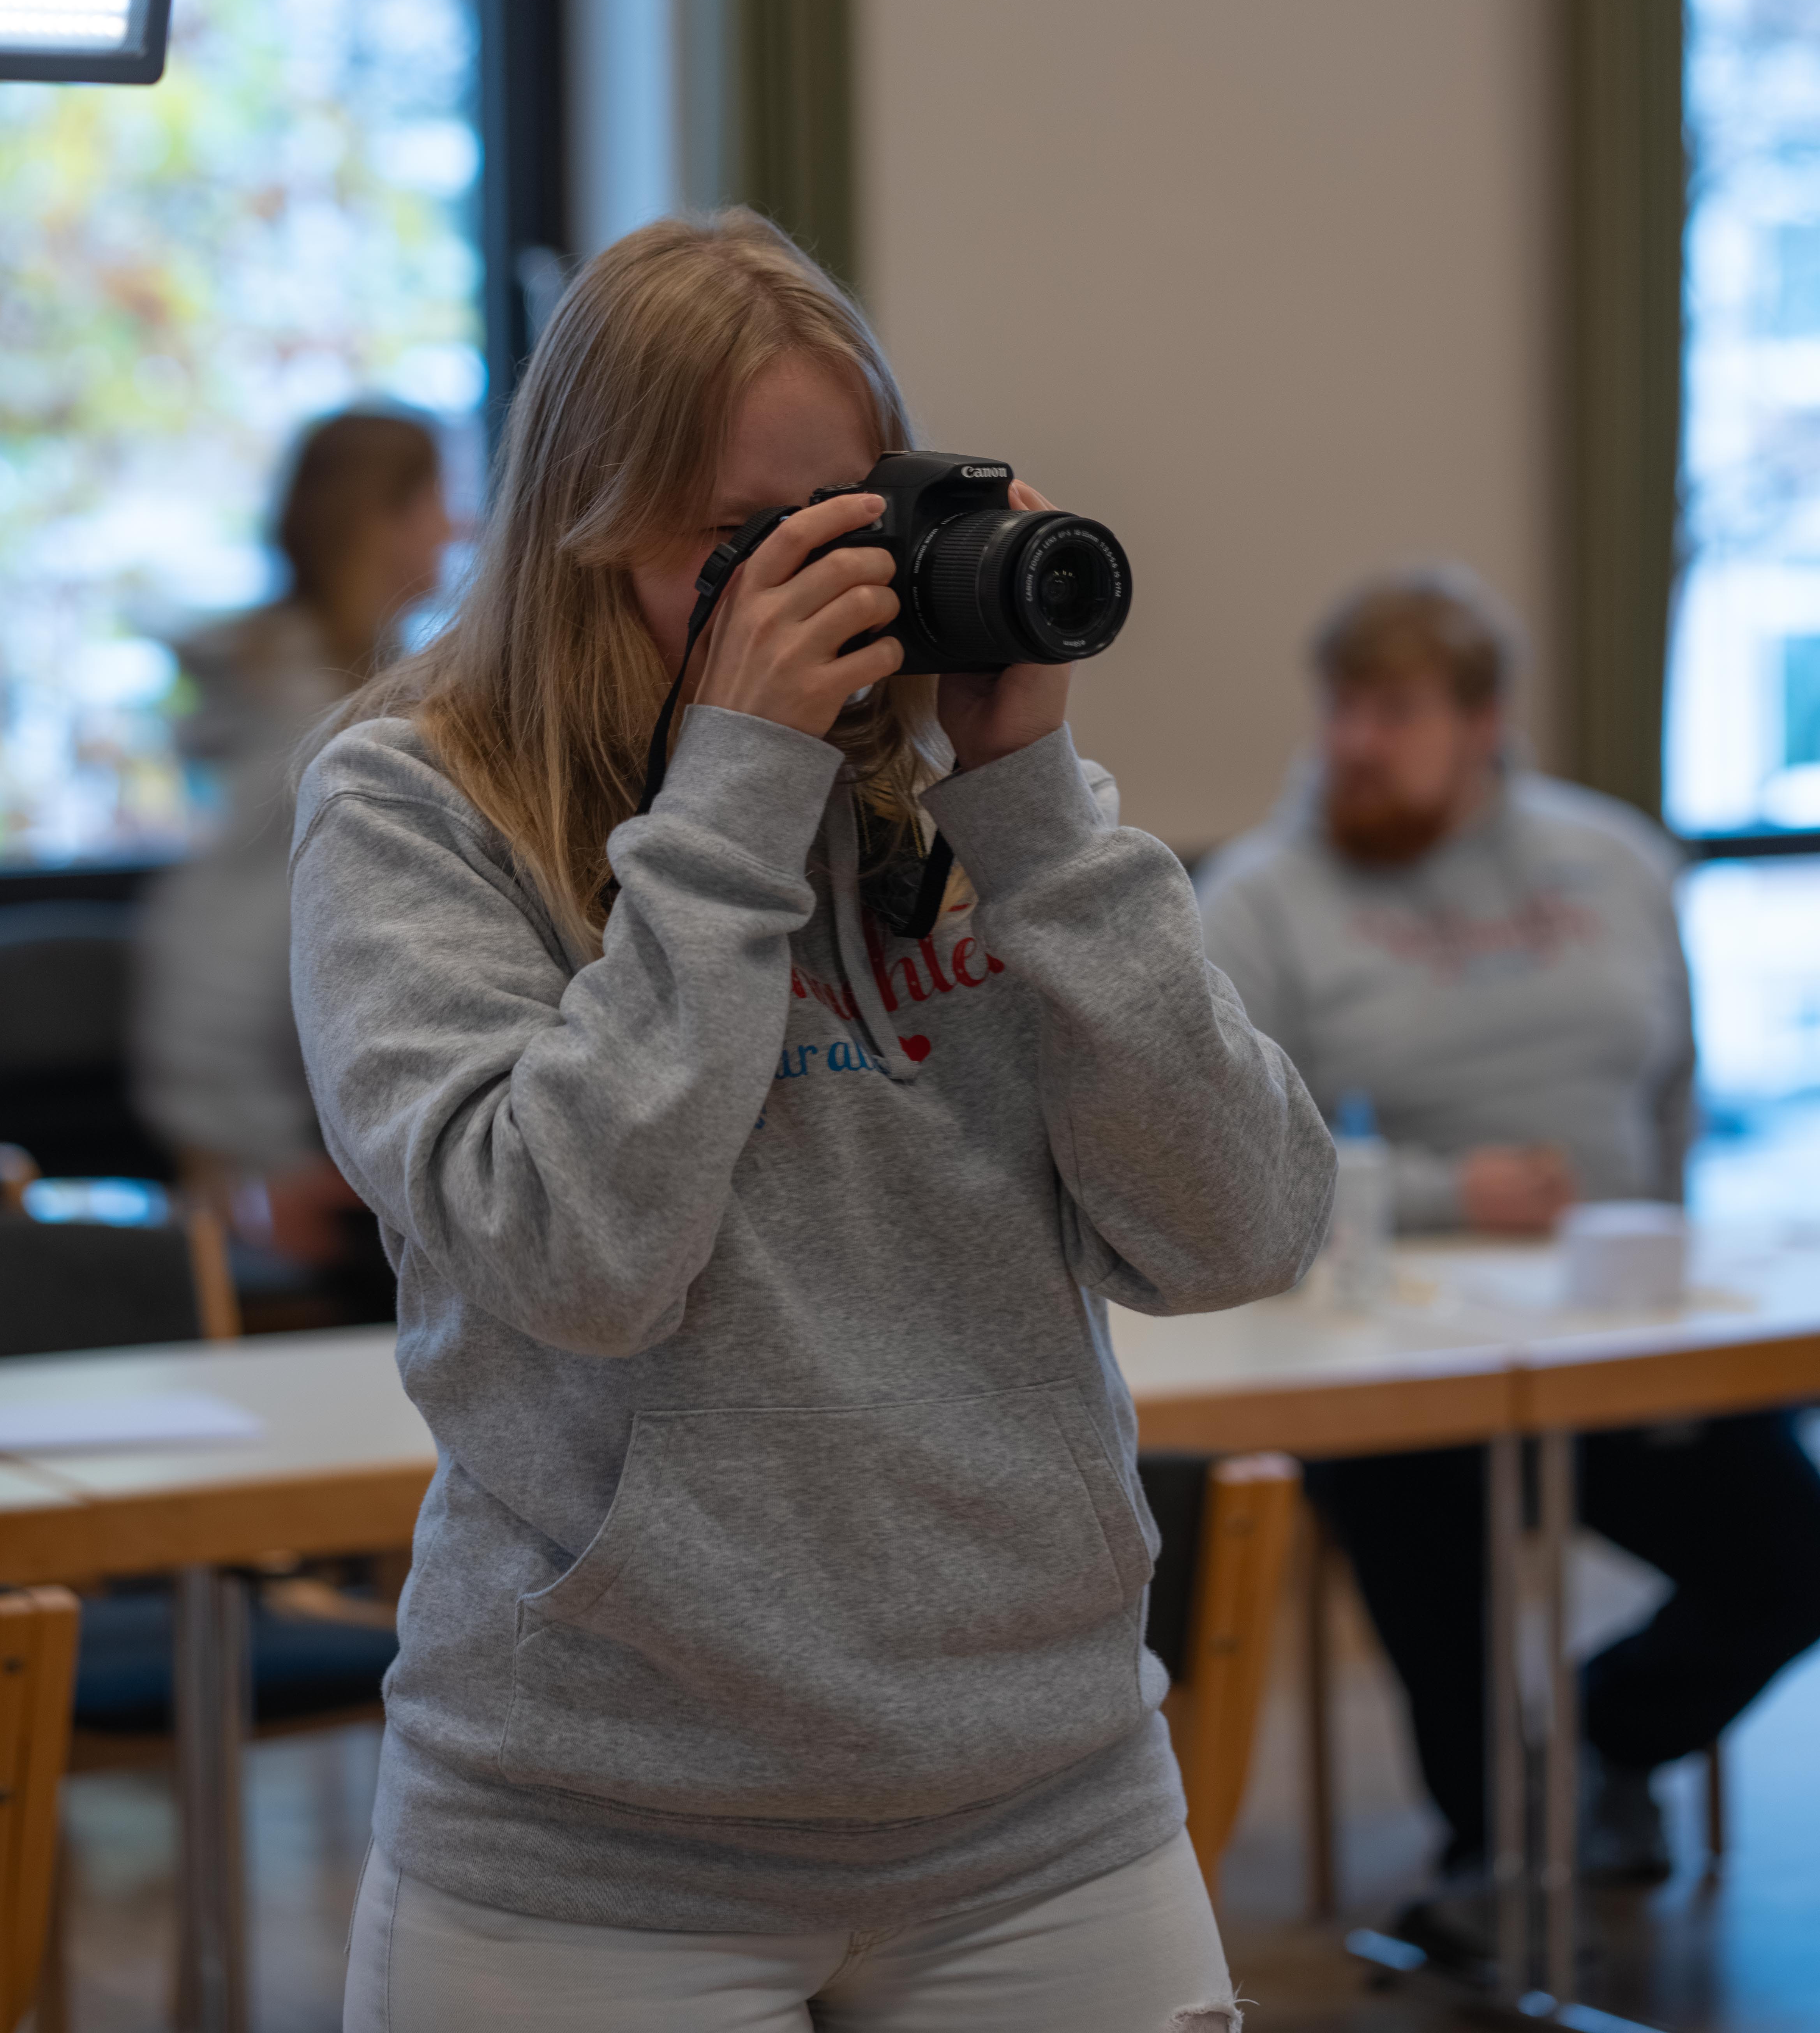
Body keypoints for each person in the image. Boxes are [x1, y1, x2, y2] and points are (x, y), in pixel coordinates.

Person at [289, 211, 1336, 2033]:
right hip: (600, 1850)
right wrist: (732, 794)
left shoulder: (954, 812)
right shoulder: (412, 807)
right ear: (585, 527)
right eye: (742, 543)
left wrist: (1034, 810)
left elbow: (1240, 1226)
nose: (822, 589)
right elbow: (576, 1256)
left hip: (1046, 1809)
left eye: (849, 519)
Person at [1196, 567, 1820, 1885]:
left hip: (1617, 1310)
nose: (1357, 740)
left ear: (1485, 719)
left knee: (1787, 1560)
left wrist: (1662, 1230)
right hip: (1390, 1333)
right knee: (1432, 1556)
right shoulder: (1262, 896)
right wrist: (1443, 1192)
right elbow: (1228, 1155)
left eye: (1397, 710)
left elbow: (1674, 1092)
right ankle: (1504, 1837)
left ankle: (1596, 1747)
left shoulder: (1613, 857)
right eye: (1343, 708)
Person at [134, 409, 451, 1303]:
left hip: (340, 1120)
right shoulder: (306, 721)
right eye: (435, 500)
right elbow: (224, 951)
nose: (456, 526)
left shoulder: (369, 687)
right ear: (377, 520)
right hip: (278, 1150)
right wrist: (251, 1158)